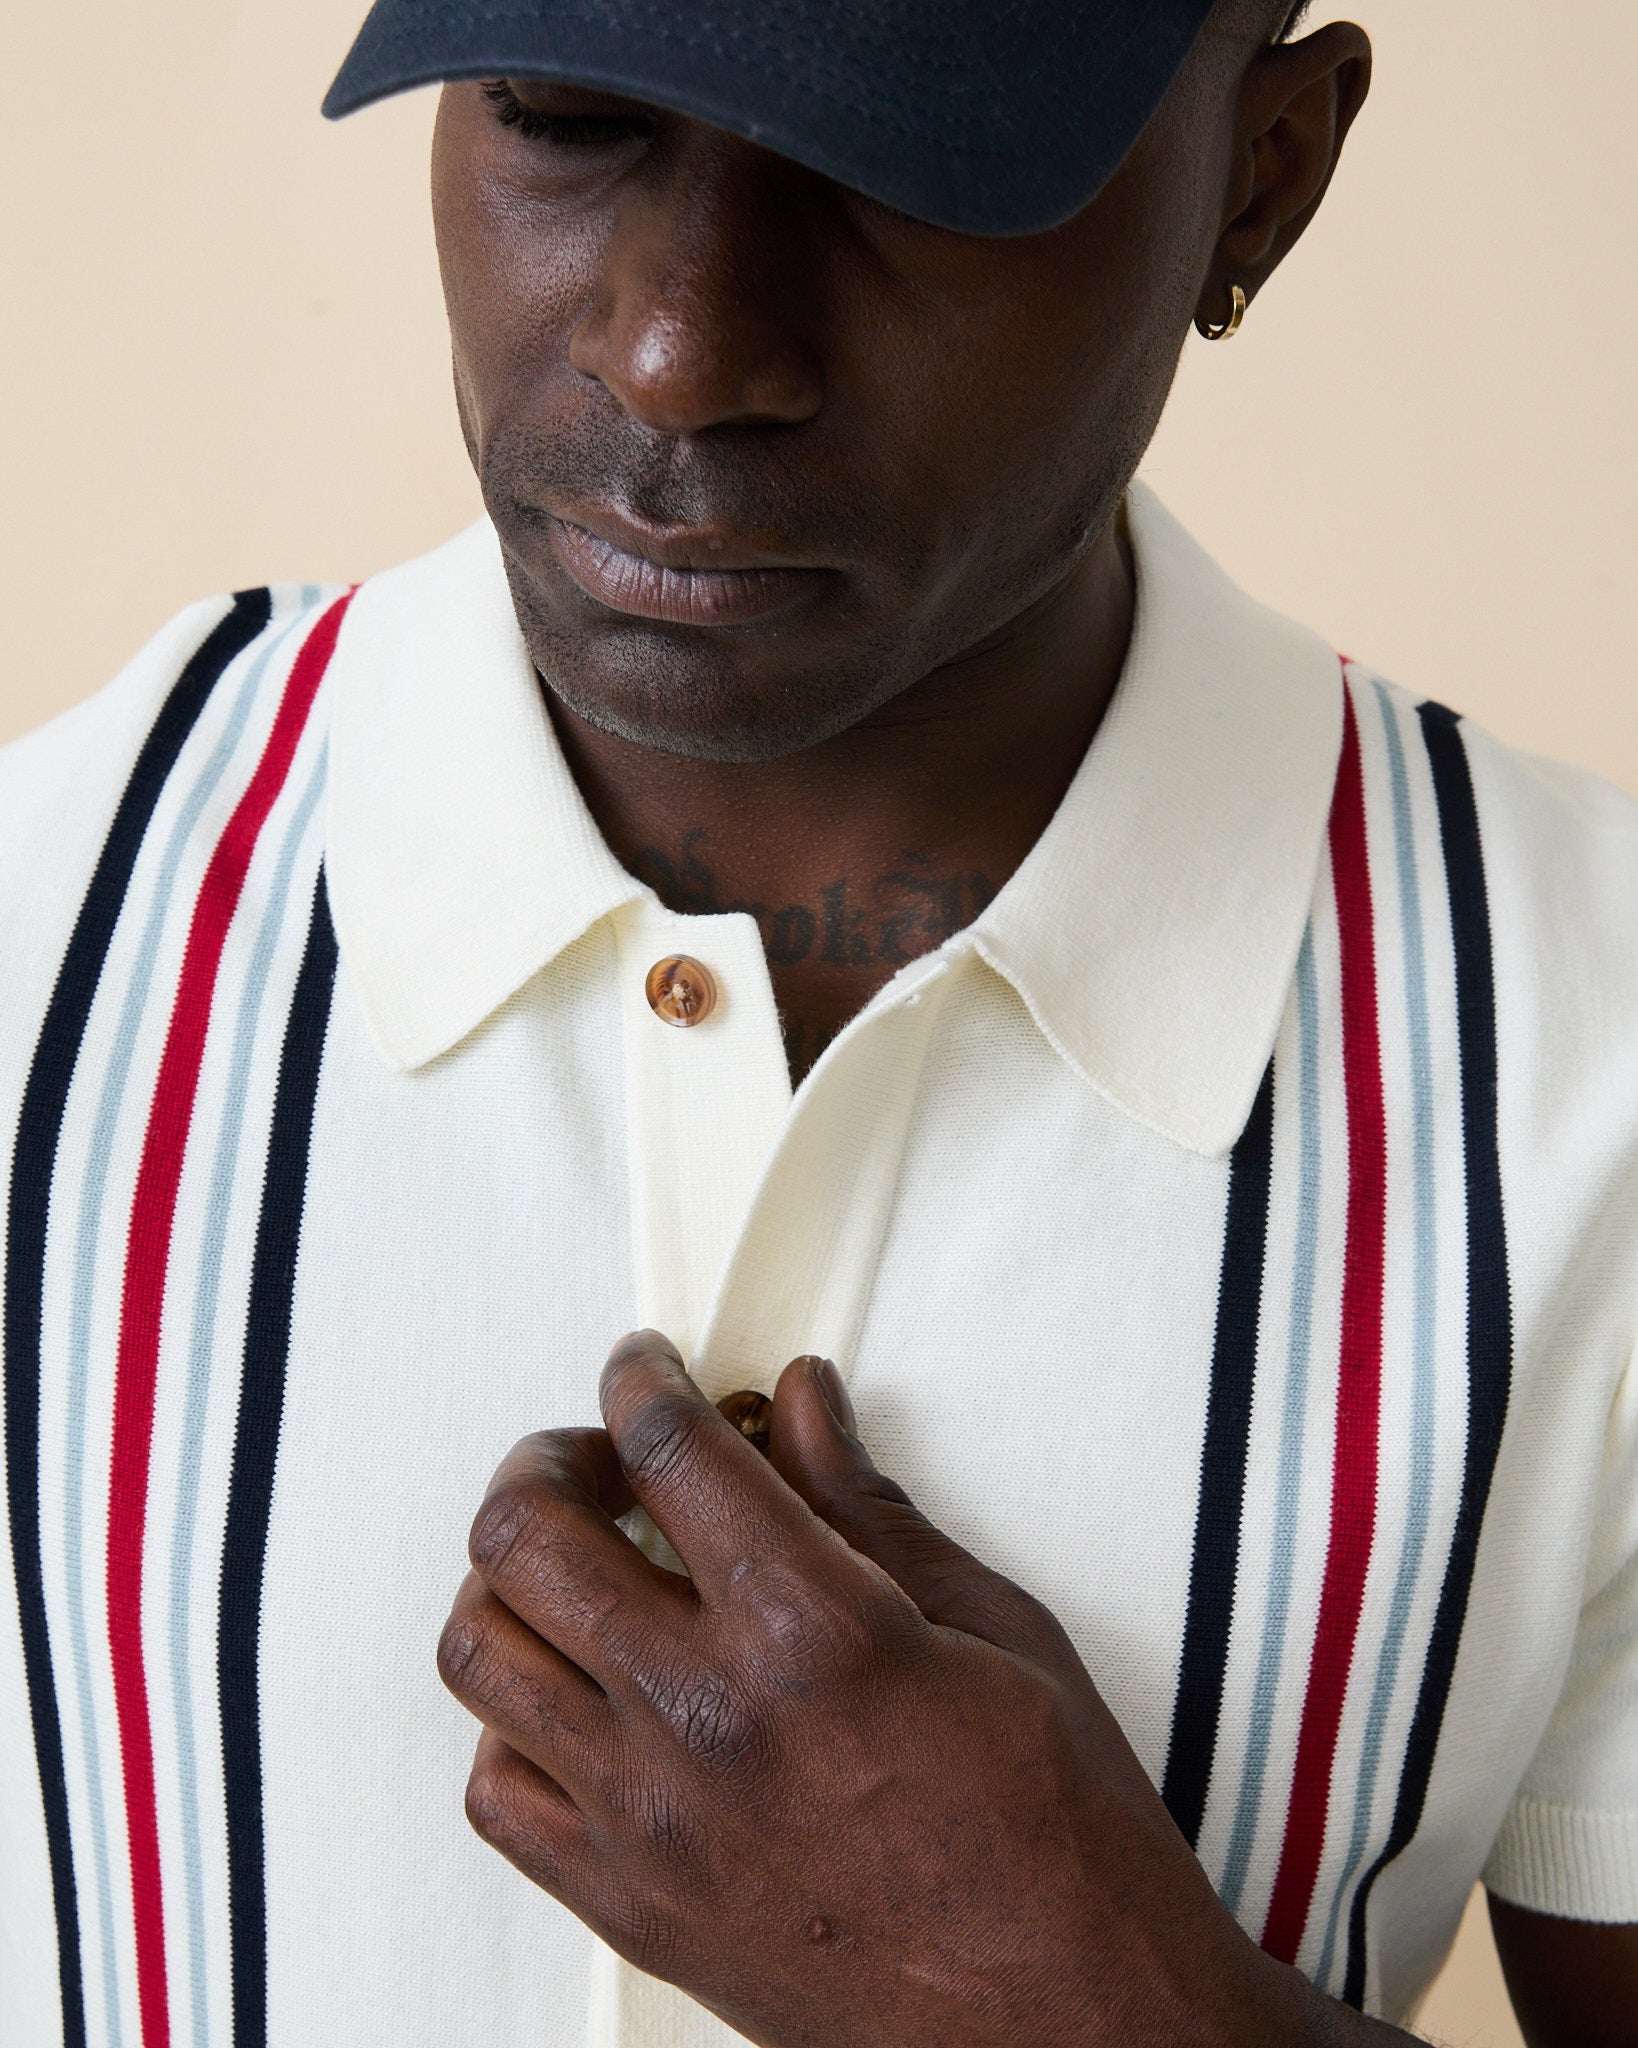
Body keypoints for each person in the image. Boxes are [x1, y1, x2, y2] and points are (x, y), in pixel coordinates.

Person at [2, 0, 1634, 2042]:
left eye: (906, 169)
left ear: (1267, 175)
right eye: (564, 111)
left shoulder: (1591, 1069)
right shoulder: (38, 921)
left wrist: (1086, 2004)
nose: (678, 350)